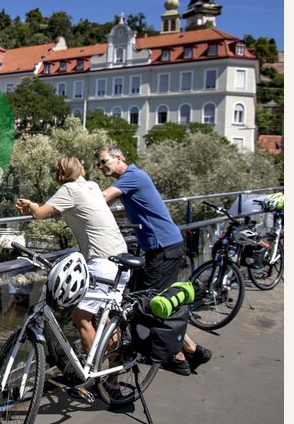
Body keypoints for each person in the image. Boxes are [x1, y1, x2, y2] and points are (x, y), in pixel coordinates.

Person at [94, 146, 212, 376]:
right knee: (156, 300)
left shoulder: (131, 176)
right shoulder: (131, 177)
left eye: (104, 161)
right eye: (99, 164)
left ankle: (178, 356)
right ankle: (191, 350)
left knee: (149, 304)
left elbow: (103, 198)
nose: (101, 166)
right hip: (163, 247)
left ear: (119, 158)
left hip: (163, 249)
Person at [14, 156, 128, 357]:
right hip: (120, 257)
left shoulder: (69, 190)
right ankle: (111, 382)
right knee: (106, 318)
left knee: (81, 317)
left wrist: (31, 204)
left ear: (60, 173)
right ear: (81, 169)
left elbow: (40, 213)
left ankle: (92, 369)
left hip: (101, 262)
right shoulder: (92, 186)